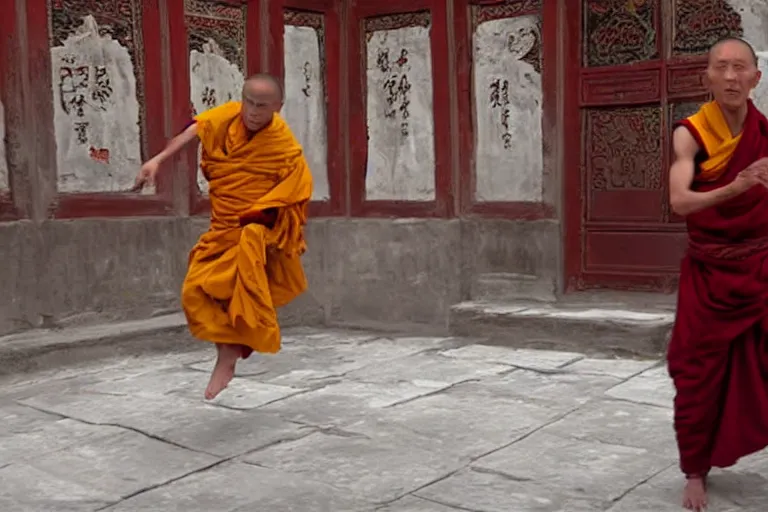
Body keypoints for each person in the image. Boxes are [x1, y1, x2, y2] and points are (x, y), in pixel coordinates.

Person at [134, 74, 312, 400]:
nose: (253, 112)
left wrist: (264, 220)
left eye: (263, 106)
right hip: (223, 224)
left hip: (256, 224)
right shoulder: (225, 118)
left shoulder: (282, 143)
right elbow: (191, 132)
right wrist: (157, 160)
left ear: (278, 107)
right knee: (197, 290)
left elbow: (297, 187)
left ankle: (226, 358)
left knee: (238, 287)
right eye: (249, 102)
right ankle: (227, 352)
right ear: (241, 99)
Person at [668, 37, 768, 511]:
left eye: (740, 68)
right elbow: (679, 202)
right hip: (709, 275)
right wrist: (737, 186)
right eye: (721, 68)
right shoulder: (690, 133)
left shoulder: (765, 134)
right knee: (699, 375)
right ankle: (694, 471)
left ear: (756, 77)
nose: (731, 77)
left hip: (761, 269)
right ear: (706, 77)